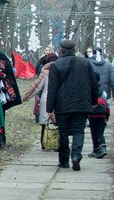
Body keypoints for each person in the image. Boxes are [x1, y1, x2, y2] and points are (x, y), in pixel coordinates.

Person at [46, 39, 99, 171]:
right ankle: (76, 155)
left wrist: (49, 108)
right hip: (81, 104)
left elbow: (52, 89)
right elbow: (93, 84)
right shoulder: (85, 63)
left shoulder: (56, 65)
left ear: (62, 50)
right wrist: (94, 101)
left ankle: (64, 160)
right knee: (78, 131)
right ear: (74, 50)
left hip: (62, 105)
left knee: (63, 132)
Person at [21, 52, 58, 149]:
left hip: (46, 99)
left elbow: (36, 87)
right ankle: (58, 143)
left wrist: (26, 97)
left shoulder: (45, 72)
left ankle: (44, 143)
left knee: (44, 124)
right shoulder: (63, 70)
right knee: (59, 123)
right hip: (60, 100)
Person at [87, 74, 109, 159]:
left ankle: (96, 149)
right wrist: (107, 115)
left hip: (92, 114)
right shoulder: (103, 91)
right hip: (102, 114)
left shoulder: (89, 89)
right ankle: (103, 148)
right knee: (100, 132)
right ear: (99, 80)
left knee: (94, 132)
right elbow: (107, 104)